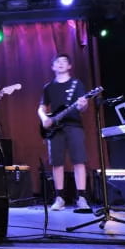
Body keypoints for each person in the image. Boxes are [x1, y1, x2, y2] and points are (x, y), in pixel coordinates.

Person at [38, 53, 91, 211]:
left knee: (79, 161)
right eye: (57, 62)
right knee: (56, 163)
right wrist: (43, 119)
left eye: (64, 61)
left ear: (69, 66)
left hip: (74, 125)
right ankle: (59, 198)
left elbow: (83, 107)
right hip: (55, 129)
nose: (60, 63)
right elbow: (41, 107)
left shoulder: (77, 84)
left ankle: (82, 197)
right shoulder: (48, 87)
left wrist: (83, 105)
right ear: (53, 67)